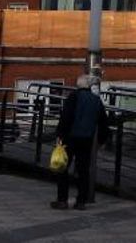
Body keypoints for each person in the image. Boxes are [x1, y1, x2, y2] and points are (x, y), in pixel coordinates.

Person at [51, 75, 105, 210]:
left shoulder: (73, 97)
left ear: (78, 85)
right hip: (87, 139)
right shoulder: (96, 100)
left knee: (63, 168)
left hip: (70, 138)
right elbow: (103, 122)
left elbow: (66, 117)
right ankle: (81, 201)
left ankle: (62, 200)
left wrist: (60, 135)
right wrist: (101, 140)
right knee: (83, 171)